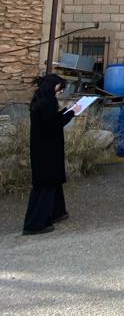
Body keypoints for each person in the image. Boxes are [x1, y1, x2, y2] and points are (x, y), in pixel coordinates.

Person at [22, 74, 75, 235]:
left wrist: (67, 111)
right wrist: (71, 114)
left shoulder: (39, 100)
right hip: (47, 150)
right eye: (59, 87)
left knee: (54, 182)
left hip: (42, 149)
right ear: (52, 86)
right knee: (46, 184)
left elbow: (49, 120)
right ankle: (35, 224)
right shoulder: (49, 102)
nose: (60, 91)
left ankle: (57, 212)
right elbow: (53, 125)